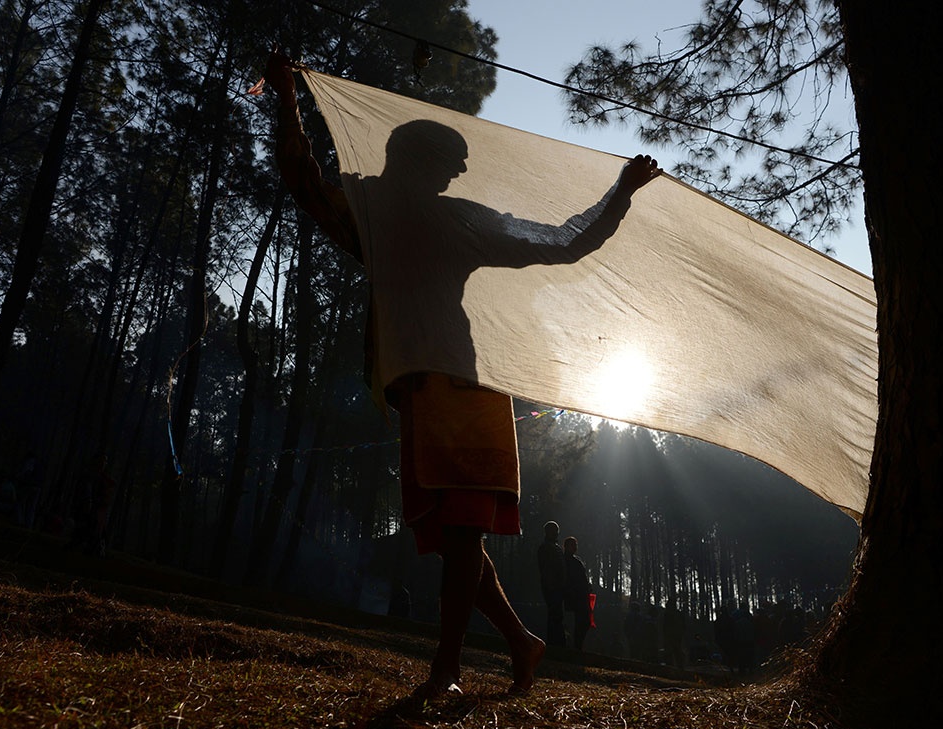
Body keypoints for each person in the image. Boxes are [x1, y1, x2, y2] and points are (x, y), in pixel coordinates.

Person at [263, 52, 660, 695]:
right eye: (452, 164)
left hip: (459, 388)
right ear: (420, 161)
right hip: (426, 387)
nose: (461, 173)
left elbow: (564, 241)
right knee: (455, 542)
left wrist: (621, 191)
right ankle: (521, 643)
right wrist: (285, 100)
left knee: (463, 533)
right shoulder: (389, 211)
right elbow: (302, 178)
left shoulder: (388, 210)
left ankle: (447, 668)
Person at [537, 520, 567, 646]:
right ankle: (555, 642)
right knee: (554, 613)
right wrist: (552, 585)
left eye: (556, 531)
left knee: (557, 613)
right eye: (554, 531)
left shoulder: (555, 548)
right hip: (552, 586)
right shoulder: (546, 548)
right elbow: (545, 568)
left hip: (557, 586)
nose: (556, 534)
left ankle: (557, 641)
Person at [563, 535, 593, 650]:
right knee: (582, 621)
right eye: (573, 545)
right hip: (576, 596)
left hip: (581, 595)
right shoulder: (566, 561)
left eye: (576, 545)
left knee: (584, 621)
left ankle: (578, 645)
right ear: (567, 546)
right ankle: (577, 646)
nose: (575, 547)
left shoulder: (575, 560)